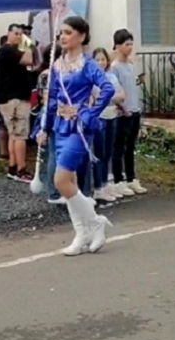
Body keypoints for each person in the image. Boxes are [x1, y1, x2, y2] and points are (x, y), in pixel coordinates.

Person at [37, 17, 115, 256]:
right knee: (69, 183)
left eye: (68, 32)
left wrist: (89, 112)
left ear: (81, 36)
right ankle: (81, 234)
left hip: (78, 128)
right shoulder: (57, 65)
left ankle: (95, 222)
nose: (63, 36)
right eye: (61, 33)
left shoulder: (88, 64)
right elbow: (52, 99)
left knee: (61, 181)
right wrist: (43, 127)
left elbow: (108, 88)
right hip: (60, 126)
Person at [0, 23, 33, 182]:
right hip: (14, 98)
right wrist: (27, 44)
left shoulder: (7, 52)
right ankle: (21, 169)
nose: (18, 36)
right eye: (16, 33)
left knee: (13, 135)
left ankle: (13, 166)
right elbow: (29, 60)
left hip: (10, 97)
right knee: (20, 135)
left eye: (20, 34)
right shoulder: (8, 50)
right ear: (8, 34)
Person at [111, 29, 147, 196]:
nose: (130, 47)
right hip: (121, 113)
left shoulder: (131, 65)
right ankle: (118, 180)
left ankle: (131, 178)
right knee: (119, 146)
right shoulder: (114, 68)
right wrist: (122, 108)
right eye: (127, 44)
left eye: (131, 44)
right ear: (118, 46)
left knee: (130, 146)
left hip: (134, 110)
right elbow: (114, 92)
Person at [91, 47, 125, 202]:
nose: (100, 62)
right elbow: (98, 97)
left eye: (103, 59)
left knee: (108, 153)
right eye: (97, 59)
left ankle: (106, 184)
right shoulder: (91, 78)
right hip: (99, 118)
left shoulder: (111, 76)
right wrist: (111, 96)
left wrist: (108, 96)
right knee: (99, 153)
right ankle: (98, 187)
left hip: (112, 115)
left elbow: (121, 96)